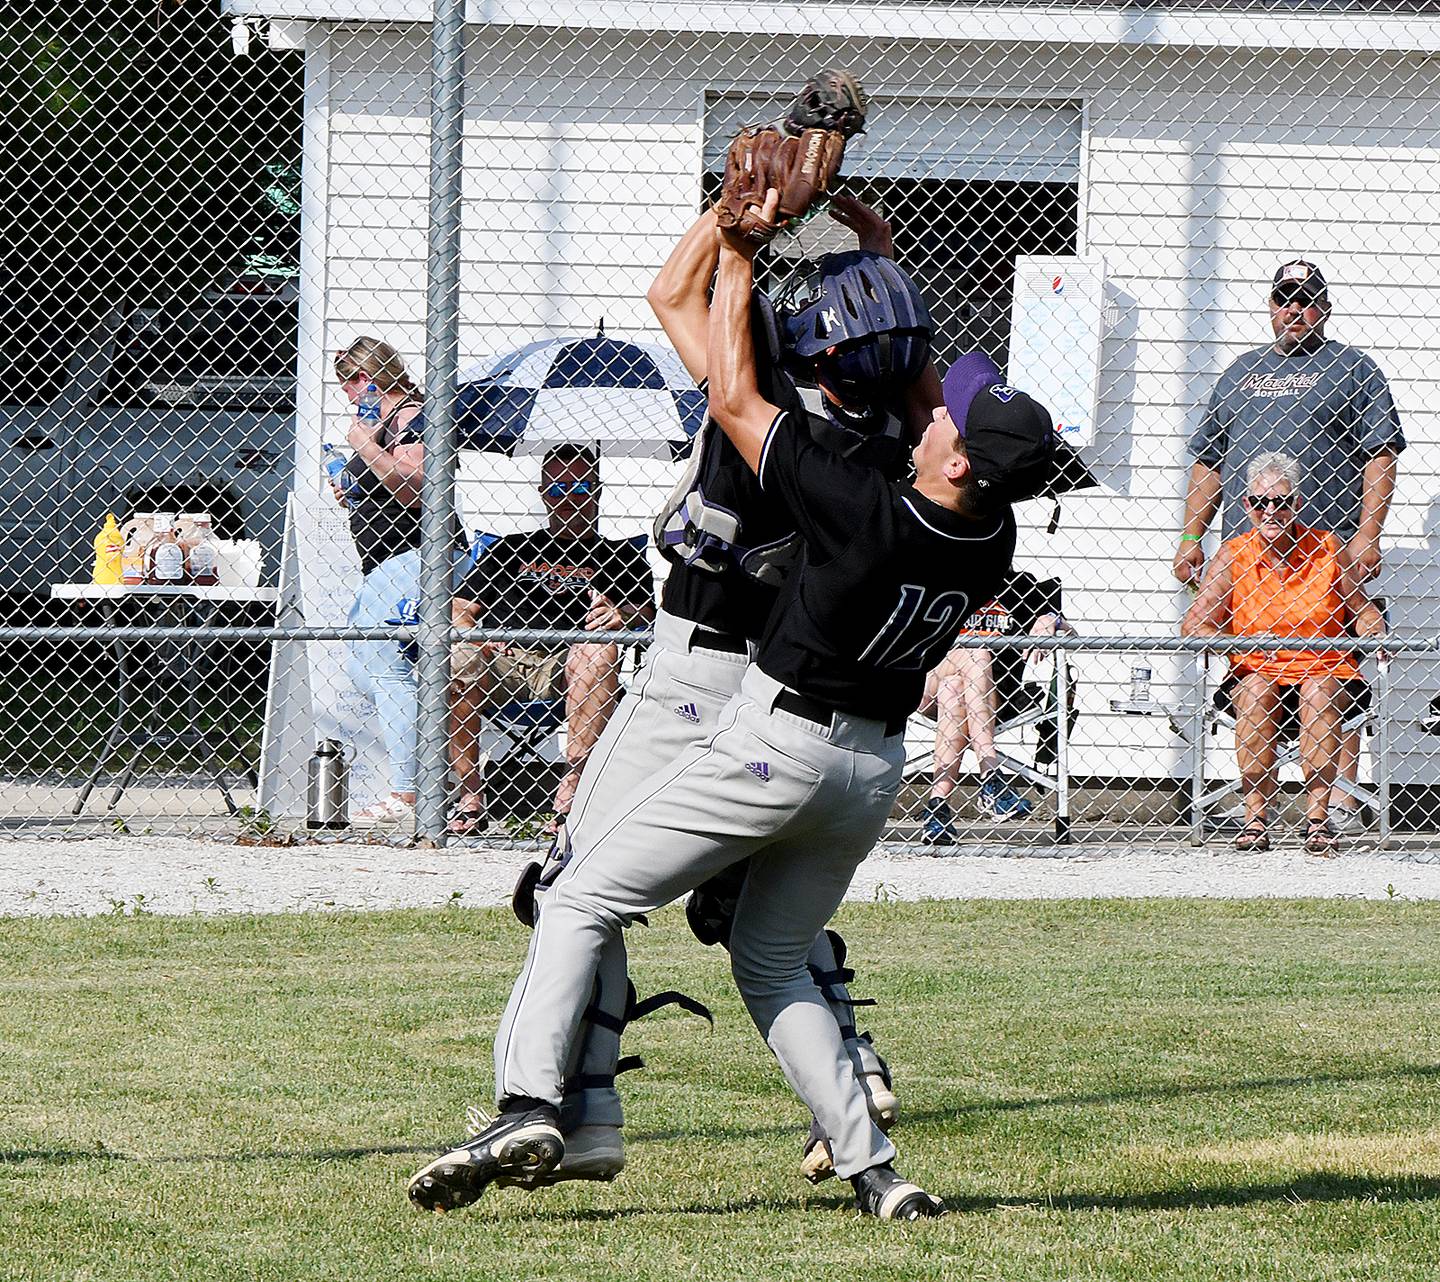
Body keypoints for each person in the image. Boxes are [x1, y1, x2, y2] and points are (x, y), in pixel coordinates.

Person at [406, 206, 1070, 1223]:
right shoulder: (990, 537)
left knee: (577, 892)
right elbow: (939, 412)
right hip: (869, 779)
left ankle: (530, 1103)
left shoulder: (855, 499)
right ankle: (879, 1173)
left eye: (954, 419)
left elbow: (732, 393)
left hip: (775, 743)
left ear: (956, 462)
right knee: (764, 955)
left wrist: (743, 243)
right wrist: (883, 261)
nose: (938, 407)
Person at [487, 198, 935, 1195]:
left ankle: (573, 1107)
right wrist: (874, 253)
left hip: (698, 668)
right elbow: (912, 380)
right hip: (789, 685)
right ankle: (850, 1066)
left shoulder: (764, 413)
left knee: (576, 883)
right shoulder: (906, 463)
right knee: (752, 913)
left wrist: (737, 222)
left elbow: (675, 296)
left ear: (817, 357)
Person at [1173, 259, 1404, 834]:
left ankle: (1336, 806)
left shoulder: (1354, 370)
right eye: (1284, 298)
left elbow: (1381, 455)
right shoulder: (1241, 374)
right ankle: (1260, 806)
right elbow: (1208, 461)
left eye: (1306, 298)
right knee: (1261, 673)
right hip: (1249, 556)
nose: (1294, 308)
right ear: (1271, 305)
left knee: (1329, 664)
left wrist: (1368, 537)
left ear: (1324, 306)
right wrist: (1190, 537)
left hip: (1331, 551)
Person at [1181, 452, 1384, 856]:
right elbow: (1195, 623)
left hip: (1325, 669)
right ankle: (1255, 816)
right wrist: (1236, 642)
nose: (1270, 510)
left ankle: (1317, 818)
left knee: (1318, 690)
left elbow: (1364, 613)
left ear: (1297, 504)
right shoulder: (1233, 554)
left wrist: (1375, 633)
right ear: (1247, 506)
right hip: (1256, 669)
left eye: (1281, 502)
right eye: (1260, 502)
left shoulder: (1328, 547)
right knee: (1256, 689)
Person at [447, 445, 655, 833]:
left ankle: (573, 791)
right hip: (501, 661)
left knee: (598, 650)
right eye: (558, 488)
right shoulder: (509, 549)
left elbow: (649, 616)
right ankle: (470, 794)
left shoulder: (620, 556)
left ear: (597, 491)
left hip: (569, 665)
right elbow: (459, 608)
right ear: (543, 492)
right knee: (460, 656)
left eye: (580, 486)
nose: (570, 499)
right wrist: (482, 636)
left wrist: (621, 614)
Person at [332, 337, 432, 826]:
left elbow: (415, 489)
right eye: (343, 382)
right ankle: (429, 774)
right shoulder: (376, 423)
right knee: (367, 666)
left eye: (354, 378)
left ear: (376, 373)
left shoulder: (413, 417)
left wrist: (365, 447)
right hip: (383, 559)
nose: (349, 392)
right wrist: (347, 482)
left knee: (385, 663)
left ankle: (410, 791)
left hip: (416, 554)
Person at [919, 571, 1076, 843]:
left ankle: (937, 808)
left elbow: (1073, 634)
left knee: (954, 690)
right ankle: (991, 777)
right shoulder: (938, 578)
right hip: (928, 681)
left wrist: (1052, 620)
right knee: (976, 653)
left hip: (992, 697)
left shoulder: (1020, 587)